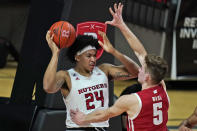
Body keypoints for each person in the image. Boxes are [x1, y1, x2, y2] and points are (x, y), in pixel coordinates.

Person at [70, 3, 169, 131]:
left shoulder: (131, 100)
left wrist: (83, 118)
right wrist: (121, 25)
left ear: (148, 77)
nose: (139, 69)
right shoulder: (162, 88)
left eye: (142, 69)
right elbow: (140, 52)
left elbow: (105, 114)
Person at [43, 24, 139, 130]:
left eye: (94, 55)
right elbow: (48, 87)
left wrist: (113, 51)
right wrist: (55, 53)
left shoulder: (104, 70)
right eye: (89, 56)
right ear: (77, 57)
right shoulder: (66, 76)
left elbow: (136, 72)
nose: (93, 59)